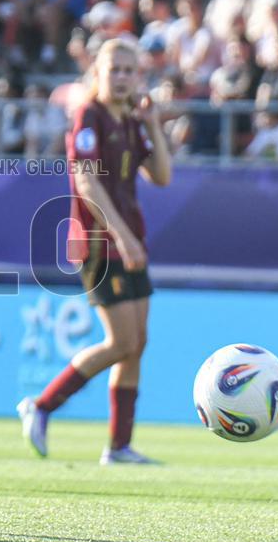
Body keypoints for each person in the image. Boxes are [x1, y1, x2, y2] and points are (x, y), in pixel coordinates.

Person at [17, 38, 172, 465]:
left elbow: (161, 175)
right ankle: (42, 405)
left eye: (129, 70)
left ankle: (119, 446)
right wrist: (121, 236)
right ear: (98, 73)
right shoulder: (90, 115)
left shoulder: (131, 120)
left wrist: (154, 124)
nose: (122, 77)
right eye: (114, 69)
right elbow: (85, 182)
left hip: (129, 238)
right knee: (121, 341)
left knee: (137, 343)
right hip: (101, 243)